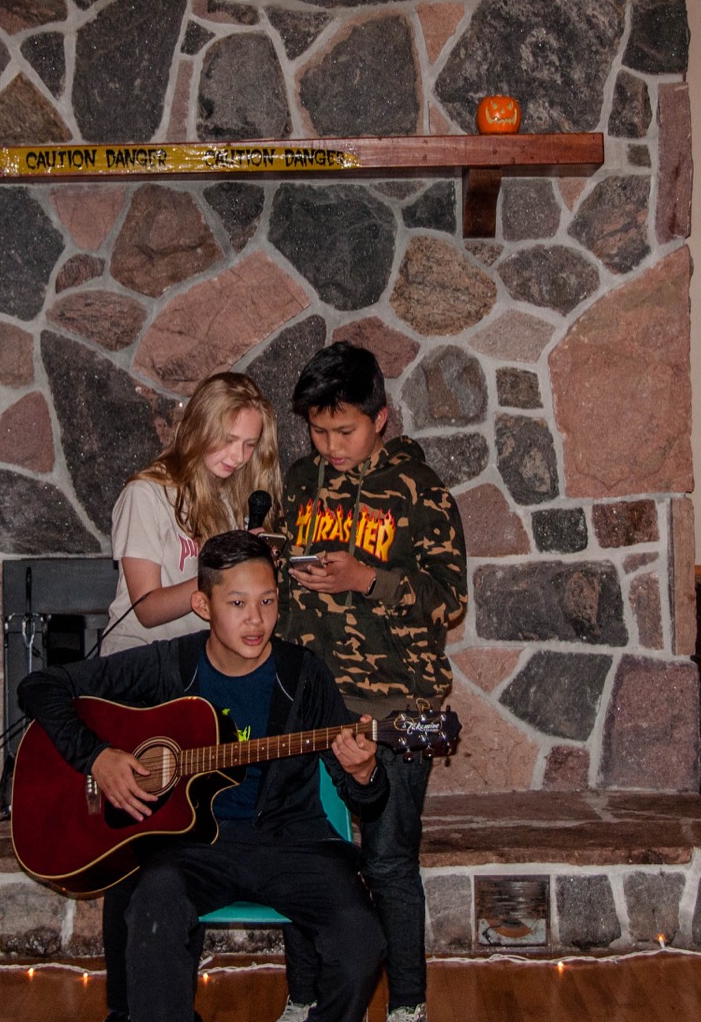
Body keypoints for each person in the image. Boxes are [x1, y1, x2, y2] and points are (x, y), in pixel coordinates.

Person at [17, 530, 388, 1022]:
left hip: (290, 842)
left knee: (362, 941)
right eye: (237, 603)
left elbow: (366, 798)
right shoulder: (170, 665)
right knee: (151, 910)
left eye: (267, 601)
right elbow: (40, 685)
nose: (256, 619)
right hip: (190, 847)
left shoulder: (304, 675)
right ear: (202, 604)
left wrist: (365, 775)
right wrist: (97, 757)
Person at [275, 341, 468, 1022]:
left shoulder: (421, 491)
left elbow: (449, 601)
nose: (330, 446)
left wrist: (366, 578)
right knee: (305, 859)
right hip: (305, 699)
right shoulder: (300, 481)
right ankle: (302, 1000)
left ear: (380, 418)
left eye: (345, 430)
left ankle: (406, 1007)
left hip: (395, 706)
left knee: (388, 863)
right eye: (318, 431)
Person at [102, 371, 280, 653]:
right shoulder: (146, 494)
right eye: (228, 440)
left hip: (198, 658)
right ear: (200, 427)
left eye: (249, 444)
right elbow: (147, 610)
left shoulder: (230, 498)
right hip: (138, 659)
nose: (239, 456)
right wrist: (226, 571)